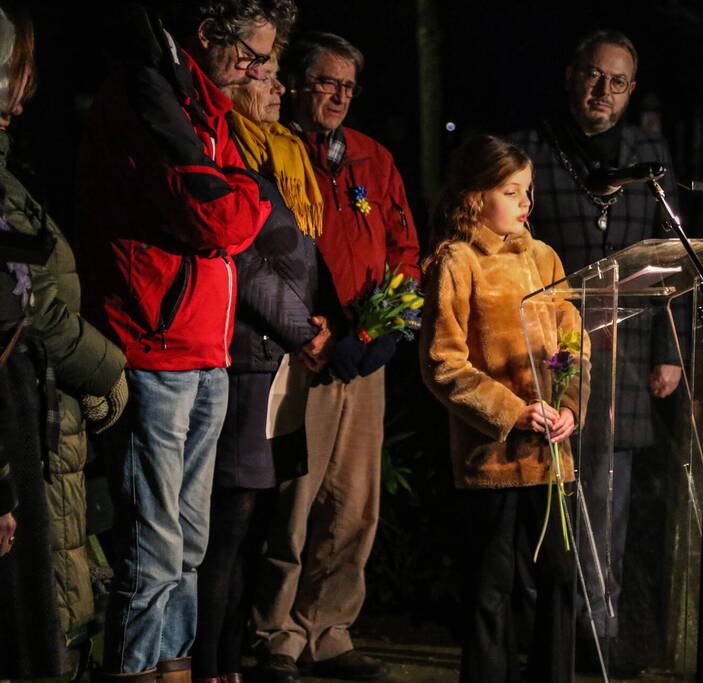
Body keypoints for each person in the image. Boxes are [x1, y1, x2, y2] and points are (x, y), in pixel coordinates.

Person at [75, 0, 296, 678]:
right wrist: (249, 194)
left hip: (203, 350)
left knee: (190, 541)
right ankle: (141, 668)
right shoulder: (150, 99)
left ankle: (172, 666)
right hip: (155, 348)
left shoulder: (205, 114)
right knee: (154, 540)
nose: (260, 70)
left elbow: (232, 204)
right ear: (210, 38)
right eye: (255, 55)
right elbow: (221, 217)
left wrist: (242, 193)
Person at [509, 29, 684, 672]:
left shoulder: (649, 152)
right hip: (548, 353)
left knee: (607, 506)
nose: (601, 90)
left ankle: (598, 631)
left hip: (628, 353)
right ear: (569, 75)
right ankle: (541, 630)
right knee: (545, 502)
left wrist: (672, 349)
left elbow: (673, 259)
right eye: (591, 75)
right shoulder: (530, 150)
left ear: (631, 89)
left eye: (616, 81)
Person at [252, 32, 419, 682]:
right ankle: (277, 633)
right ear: (294, 82)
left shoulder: (372, 159)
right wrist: (310, 332)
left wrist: (378, 334)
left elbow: (405, 246)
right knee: (295, 499)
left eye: (348, 85)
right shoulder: (273, 151)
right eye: (327, 81)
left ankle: (329, 629)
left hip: (361, 354)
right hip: (300, 355)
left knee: (354, 503)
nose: (339, 95)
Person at [420, 134, 585, 683]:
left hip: (550, 452)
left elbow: (573, 345)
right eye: (512, 191)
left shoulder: (544, 257)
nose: (525, 203)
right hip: (493, 456)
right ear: (475, 196)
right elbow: (444, 363)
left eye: (528, 192)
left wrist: (569, 405)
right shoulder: (456, 261)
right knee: (491, 585)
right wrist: (511, 411)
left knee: (559, 577)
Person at [0, 2, 128, 678]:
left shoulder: (11, 175)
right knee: (42, 617)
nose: (28, 90)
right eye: (18, 71)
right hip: (28, 421)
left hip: (46, 418)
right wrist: (109, 370)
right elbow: (29, 304)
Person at [192, 45, 326, 683]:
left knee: (256, 521)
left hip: (282, 367)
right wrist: (305, 330)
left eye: (277, 77)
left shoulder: (279, 161)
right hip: (249, 364)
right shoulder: (235, 159)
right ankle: (208, 663)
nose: (277, 89)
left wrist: (320, 325)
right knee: (230, 525)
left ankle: (230, 660)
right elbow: (246, 263)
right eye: (266, 78)